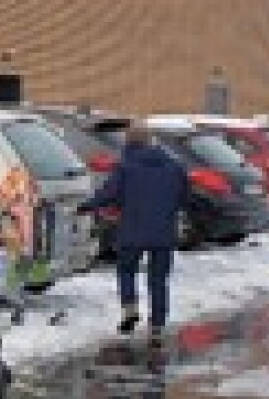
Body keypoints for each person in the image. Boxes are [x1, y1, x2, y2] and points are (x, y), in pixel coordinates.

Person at [78, 121, 190, 340]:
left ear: (128, 142)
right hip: (163, 232)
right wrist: (170, 211)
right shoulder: (174, 167)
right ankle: (157, 325)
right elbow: (185, 197)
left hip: (132, 230)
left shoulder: (125, 167)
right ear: (151, 141)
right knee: (158, 279)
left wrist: (86, 206)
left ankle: (130, 310)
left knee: (127, 270)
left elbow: (109, 194)